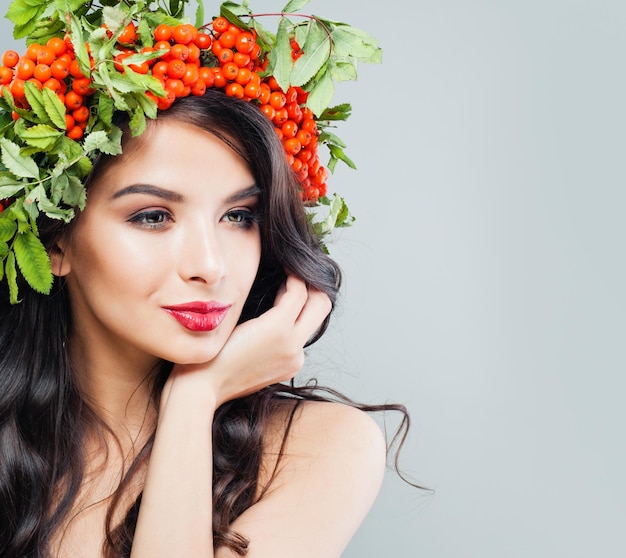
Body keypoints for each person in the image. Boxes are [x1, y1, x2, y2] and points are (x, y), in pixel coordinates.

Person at [0, 3, 410, 557]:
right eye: (152, 216)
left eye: (239, 216)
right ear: (54, 243)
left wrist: (195, 400)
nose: (211, 265)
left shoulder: (321, 448)